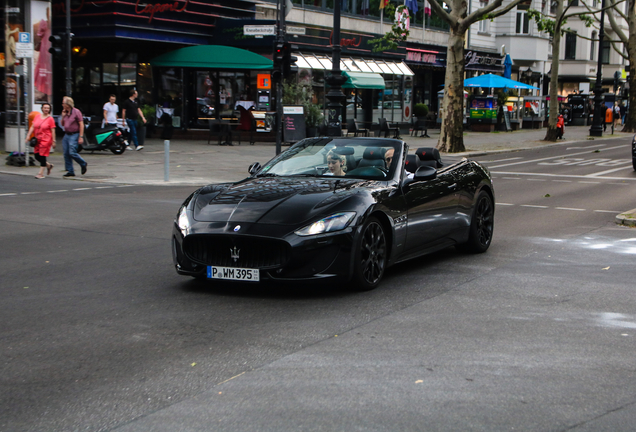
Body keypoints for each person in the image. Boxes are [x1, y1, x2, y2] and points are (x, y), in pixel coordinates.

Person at [25, 103, 56, 179]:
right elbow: (33, 126)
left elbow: (53, 130)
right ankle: (49, 165)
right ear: (42, 108)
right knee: (37, 156)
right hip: (37, 138)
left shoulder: (50, 119)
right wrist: (28, 135)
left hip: (46, 139)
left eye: (48, 108)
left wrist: (54, 140)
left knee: (42, 155)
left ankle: (40, 173)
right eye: (45, 108)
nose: (46, 109)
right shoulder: (37, 116)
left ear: (49, 109)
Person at [60, 96, 87, 177]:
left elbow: (81, 124)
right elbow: (62, 124)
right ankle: (70, 170)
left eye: (63, 103)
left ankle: (83, 163)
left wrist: (81, 136)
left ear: (68, 104)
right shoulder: (65, 112)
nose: (62, 105)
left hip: (74, 134)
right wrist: (63, 116)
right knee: (66, 153)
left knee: (72, 152)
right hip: (66, 134)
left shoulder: (76, 112)